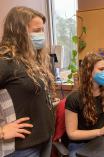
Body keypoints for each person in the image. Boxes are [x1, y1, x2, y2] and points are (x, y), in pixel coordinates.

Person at [0, 6, 55, 157]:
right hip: (23, 148)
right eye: (37, 31)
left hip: (45, 140)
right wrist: (1, 131)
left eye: (42, 30)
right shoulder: (5, 62)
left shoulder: (34, 60)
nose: (42, 35)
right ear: (19, 32)